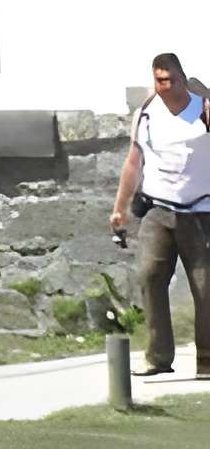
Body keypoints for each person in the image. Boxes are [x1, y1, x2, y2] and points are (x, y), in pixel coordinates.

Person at [114, 49, 210, 377]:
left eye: (168, 79)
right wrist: (119, 209)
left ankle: (207, 362)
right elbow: (133, 160)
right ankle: (157, 357)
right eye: (158, 80)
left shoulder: (204, 108)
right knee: (149, 277)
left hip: (201, 211)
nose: (163, 86)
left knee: (205, 287)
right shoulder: (146, 112)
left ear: (182, 79)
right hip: (158, 209)